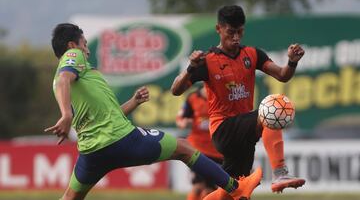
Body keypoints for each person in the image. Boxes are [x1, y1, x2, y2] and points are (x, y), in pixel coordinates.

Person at [46, 23, 263, 200]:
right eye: (84, 44)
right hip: (121, 140)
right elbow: (63, 79)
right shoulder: (72, 59)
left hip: (92, 152)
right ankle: (236, 188)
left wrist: (133, 103)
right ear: (72, 44)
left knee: (69, 197)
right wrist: (66, 114)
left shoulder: (80, 81)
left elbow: (107, 115)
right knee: (185, 148)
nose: (87, 49)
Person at [171, 5, 306, 199]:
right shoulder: (207, 60)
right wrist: (190, 68)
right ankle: (280, 173)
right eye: (231, 32)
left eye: (240, 32)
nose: (236, 38)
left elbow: (282, 76)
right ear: (219, 29)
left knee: (234, 192)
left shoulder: (252, 54)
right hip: (223, 129)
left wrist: (292, 62)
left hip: (244, 135)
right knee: (272, 109)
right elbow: (176, 90)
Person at [176, 85, 223, 200]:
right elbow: (180, 118)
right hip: (197, 150)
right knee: (198, 186)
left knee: (210, 190)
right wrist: (184, 123)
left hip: (217, 151)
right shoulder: (192, 98)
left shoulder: (223, 97)